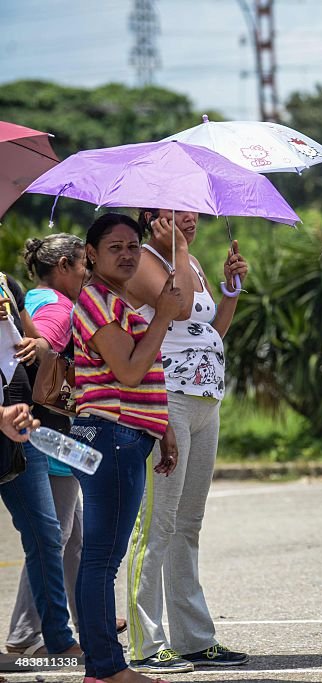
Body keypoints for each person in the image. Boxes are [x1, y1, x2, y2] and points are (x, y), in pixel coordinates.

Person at [123, 208, 249, 674]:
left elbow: (208, 331)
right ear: (150, 217)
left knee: (188, 523)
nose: (189, 220)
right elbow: (174, 307)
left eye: (193, 211)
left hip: (204, 397)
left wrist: (231, 290)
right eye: (176, 212)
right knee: (156, 523)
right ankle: (145, 643)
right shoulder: (143, 261)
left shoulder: (189, 261)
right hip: (165, 398)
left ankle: (194, 638)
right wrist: (177, 250)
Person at [71, 212, 183, 683]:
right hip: (109, 435)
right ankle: (106, 667)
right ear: (91, 255)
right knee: (103, 558)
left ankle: (102, 667)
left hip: (123, 434)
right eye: (114, 246)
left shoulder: (115, 301)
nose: (127, 253)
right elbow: (130, 371)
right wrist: (163, 315)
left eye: (133, 245)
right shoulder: (97, 301)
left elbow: (141, 382)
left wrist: (163, 430)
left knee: (102, 556)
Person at [7, 234, 90, 655]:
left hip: (30, 426)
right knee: (53, 535)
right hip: (49, 433)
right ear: (61, 265)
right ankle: (27, 631)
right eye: (82, 266)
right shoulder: (59, 306)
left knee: (65, 533)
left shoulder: (26, 295)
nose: (86, 275)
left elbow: (31, 338)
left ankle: (80, 618)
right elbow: (47, 346)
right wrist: (46, 347)